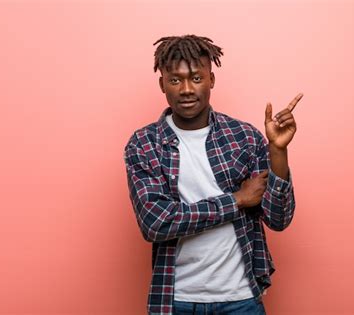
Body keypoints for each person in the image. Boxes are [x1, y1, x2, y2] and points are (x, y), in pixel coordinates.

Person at [123, 34, 302, 315]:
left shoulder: (243, 137)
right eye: (175, 80)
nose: (185, 89)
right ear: (162, 84)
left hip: (241, 298)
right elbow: (156, 223)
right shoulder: (145, 144)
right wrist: (237, 200)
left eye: (196, 78)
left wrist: (277, 151)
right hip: (176, 299)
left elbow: (278, 219)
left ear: (211, 80)